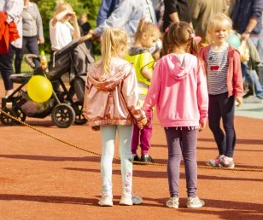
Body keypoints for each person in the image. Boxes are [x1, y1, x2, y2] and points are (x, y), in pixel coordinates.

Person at [144, 22, 208, 209]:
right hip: (190, 116)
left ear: (170, 39)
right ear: (188, 40)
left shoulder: (162, 63)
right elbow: (202, 92)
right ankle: (192, 197)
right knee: (190, 156)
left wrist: (146, 109)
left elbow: (153, 90)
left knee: (173, 156)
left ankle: (173, 197)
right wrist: (203, 115)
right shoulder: (196, 63)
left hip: (169, 117)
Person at [84, 27, 146, 207]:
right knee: (126, 154)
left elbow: (89, 95)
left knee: (106, 154)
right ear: (122, 46)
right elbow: (132, 96)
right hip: (125, 115)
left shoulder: (94, 68)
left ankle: (106, 195)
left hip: (104, 116)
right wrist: (140, 116)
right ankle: (126, 194)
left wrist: (91, 116)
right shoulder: (126, 68)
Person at [199, 14, 243, 169]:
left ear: (228, 32)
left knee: (228, 125)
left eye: (224, 30)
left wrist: (238, 93)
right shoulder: (205, 51)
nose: (221, 34)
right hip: (211, 94)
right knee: (213, 125)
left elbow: (237, 73)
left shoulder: (232, 52)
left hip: (226, 94)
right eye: (217, 31)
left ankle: (229, 156)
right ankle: (222, 153)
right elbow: (200, 71)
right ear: (211, 32)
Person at [230, 0, 263, 103]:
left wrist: (247, 31)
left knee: (246, 63)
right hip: (238, 31)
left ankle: (260, 93)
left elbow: (257, 12)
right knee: (240, 64)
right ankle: (249, 91)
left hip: (250, 33)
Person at [126, 19, 160, 164]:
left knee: (133, 127)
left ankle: (132, 152)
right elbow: (145, 71)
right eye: (153, 40)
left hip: (131, 96)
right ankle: (145, 153)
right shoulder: (145, 54)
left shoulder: (128, 53)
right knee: (147, 125)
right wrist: (157, 80)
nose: (154, 45)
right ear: (145, 36)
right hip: (144, 96)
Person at [15, 0, 44, 73]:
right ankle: (17, 73)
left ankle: (38, 72)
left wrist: (40, 36)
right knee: (19, 56)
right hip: (22, 36)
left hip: (33, 36)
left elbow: (39, 21)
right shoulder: (18, 8)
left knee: (36, 55)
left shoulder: (34, 6)